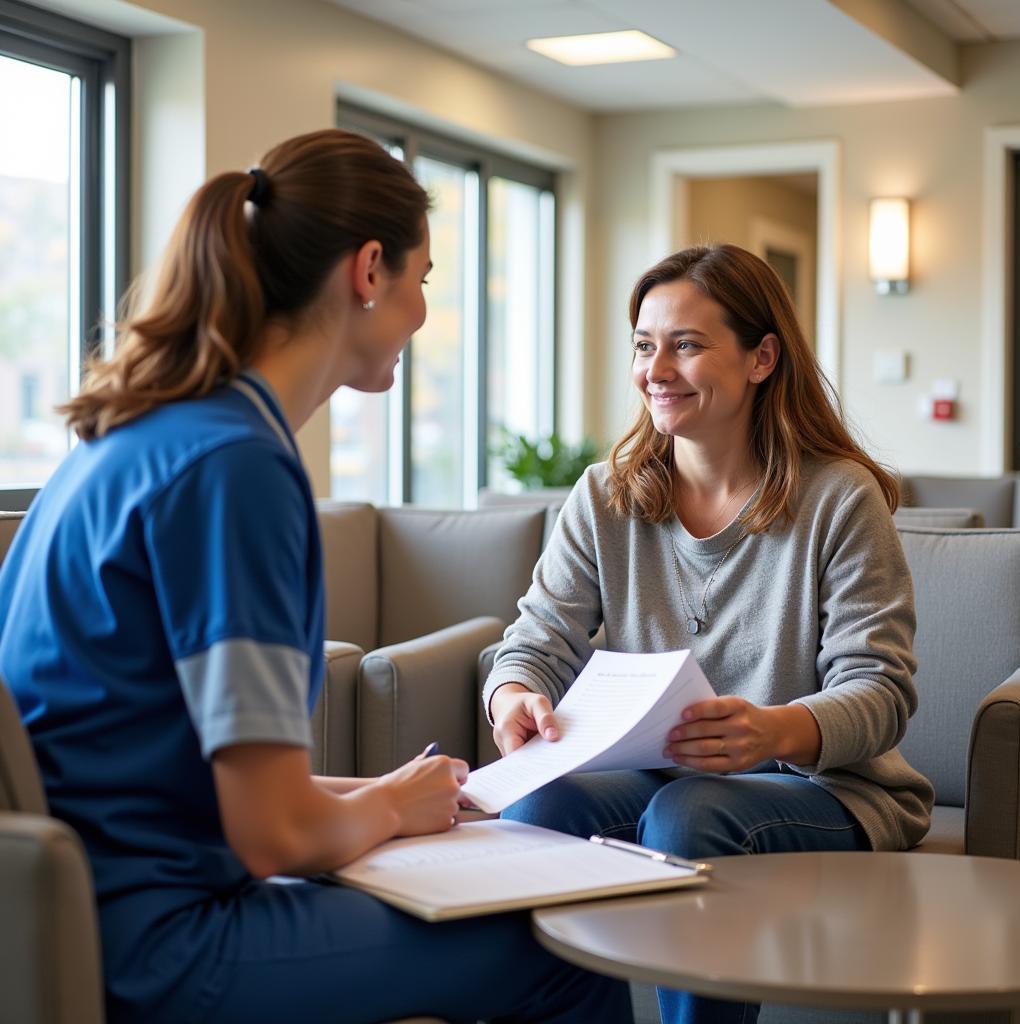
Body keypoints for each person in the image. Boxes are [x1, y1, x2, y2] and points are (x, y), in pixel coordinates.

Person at [0, 129, 632, 1024]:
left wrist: (387, 798)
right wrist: (381, 812)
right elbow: (274, 835)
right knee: (574, 944)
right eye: (424, 279)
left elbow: (165, 768)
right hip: (159, 943)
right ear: (369, 270)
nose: (420, 311)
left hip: (85, 910)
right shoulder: (237, 470)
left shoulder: (135, 439)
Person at [482, 243, 935, 1024]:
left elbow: (882, 692)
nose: (657, 368)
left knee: (691, 815)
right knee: (539, 810)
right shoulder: (606, 495)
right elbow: (534, 640)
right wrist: (513, 697)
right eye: (644, 345)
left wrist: (773, 731)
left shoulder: (839, 499)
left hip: (825, 789)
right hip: (661, 778)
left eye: (686, 345)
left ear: (762, 358)